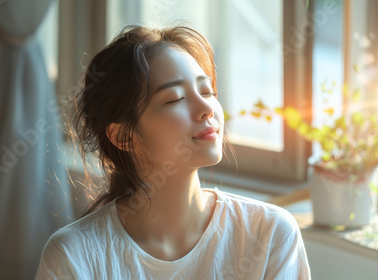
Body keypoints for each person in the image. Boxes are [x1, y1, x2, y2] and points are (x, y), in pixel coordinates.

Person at [35, 24, 311, 279]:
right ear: (123, 136)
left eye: (207, 91)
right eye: (175, 98)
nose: (206, 109)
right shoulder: (74, 258)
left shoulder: (270, 234)